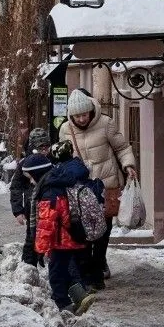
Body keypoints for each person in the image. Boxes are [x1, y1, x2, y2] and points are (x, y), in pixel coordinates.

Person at [58, 89, 136, 289]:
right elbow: (63, 156)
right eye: (77, 116)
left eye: (84, 114)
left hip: (106, 186)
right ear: (71, 115)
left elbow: (122, 147)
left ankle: (99, 263)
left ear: (91, 111)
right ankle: (89, 273)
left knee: (103, 230)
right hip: (81, 189)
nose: (82, 119)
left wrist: (128, 166)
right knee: (83, 230)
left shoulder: (106, 123)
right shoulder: (66, 129)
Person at [28, 147, 96, 315]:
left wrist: (39, 249)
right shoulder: (60, 181)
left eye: (30, 177)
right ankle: (80, 296)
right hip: (71, 234)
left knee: (56, 273)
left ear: (37, 174)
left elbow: (46, 223)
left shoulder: (48, 190)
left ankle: (63, 304)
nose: (30, 182)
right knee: (66, 269)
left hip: (60, 240)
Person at [10, 128, 51, 266]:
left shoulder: (51, 161)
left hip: (50, 207)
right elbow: (15, 187)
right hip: (32, 208)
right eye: (41, 147)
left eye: (47, 146)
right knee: (32, 238)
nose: (44, 150)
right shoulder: (25, 164)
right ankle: (29, 266)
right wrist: (18, 210)